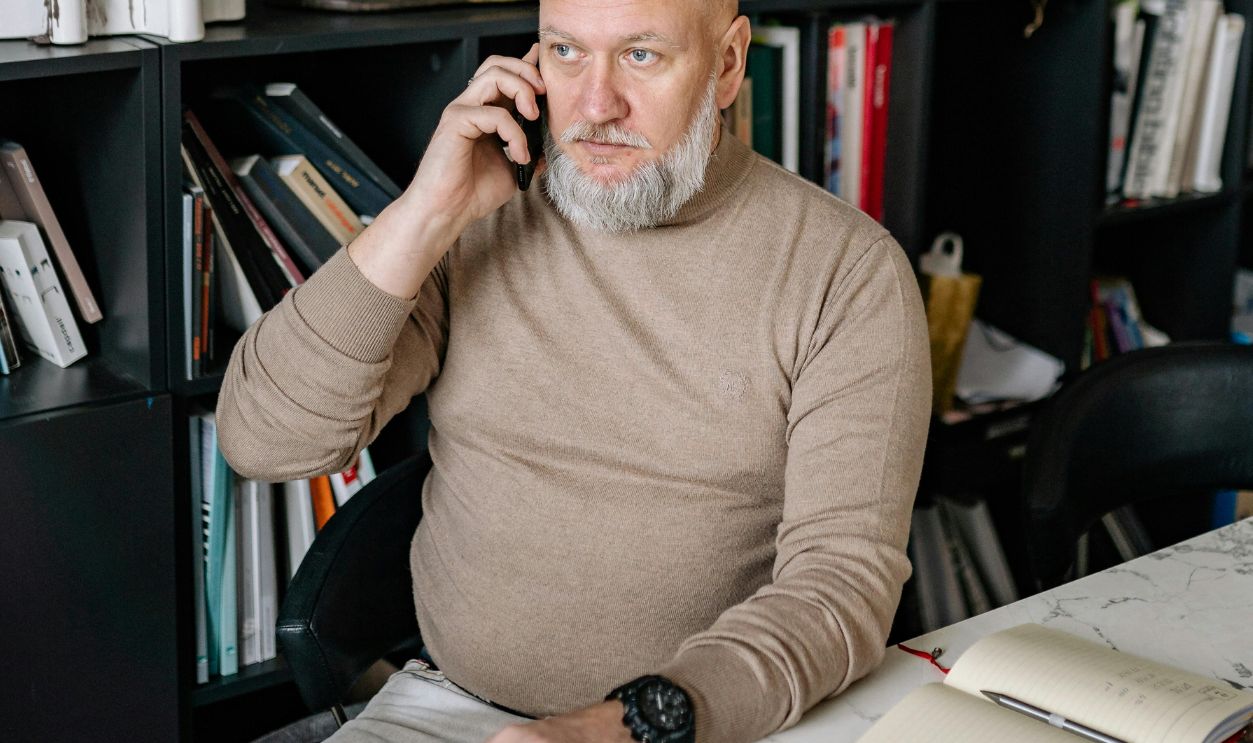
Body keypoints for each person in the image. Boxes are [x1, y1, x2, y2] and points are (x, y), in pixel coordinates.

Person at [216, 0, 931, 741]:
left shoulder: (844, 272)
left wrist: (618, 726)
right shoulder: (477, 221)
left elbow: (838, 588)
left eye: (641, 56)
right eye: (566, 52)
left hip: (699, 725)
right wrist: (425, 213)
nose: (595, 105)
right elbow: (265, 441)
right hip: (449, 709)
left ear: (725, 64)